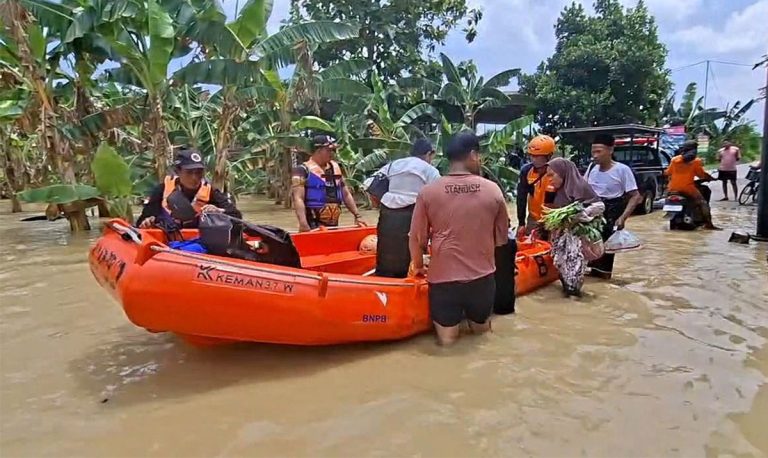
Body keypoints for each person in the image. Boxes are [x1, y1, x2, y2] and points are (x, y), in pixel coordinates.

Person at [409, 132, 510, 346]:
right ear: (473, 154)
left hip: (443, 279)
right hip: (482, 278)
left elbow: (417, 239)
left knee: (447, 344)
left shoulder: (428, 192)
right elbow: (502, 239)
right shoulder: (493, 190)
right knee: (482, 336)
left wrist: (417, 265)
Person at [373, 138, 440, 278]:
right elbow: (438, 196)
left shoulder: (393, 165)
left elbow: (372, 185)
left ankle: (384, 280)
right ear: (429, 154)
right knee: (412, 253)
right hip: (413, 213)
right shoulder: (430, 170)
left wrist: (382, 202)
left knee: (386, 249)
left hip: (388, 214)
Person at [584, 134, 643, 279]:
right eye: (593, 152)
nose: (595, 156)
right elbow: (583, 189)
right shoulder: (592, 168)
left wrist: (623, 217)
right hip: (593, 211)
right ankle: (593, 275)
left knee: (606, 249)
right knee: (591, 244)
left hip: (611, 212)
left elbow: (635, 196)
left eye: (599, 151)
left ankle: (604, 277)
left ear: (610, 150)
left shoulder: (622, 170)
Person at [545, 158, 606, 297]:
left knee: (574, 267)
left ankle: (574, 296)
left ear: (563, 173)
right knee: (560, 263)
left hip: (578, 236)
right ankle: (568, 293)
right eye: (548, 176)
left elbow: (600, 206)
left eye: (552, 175)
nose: (550, 179)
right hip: (562, 234)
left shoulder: (580, 187)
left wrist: (582, 214)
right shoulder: (557, 191)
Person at [136, 149, 241, 229]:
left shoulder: (211, 192)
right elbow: (141, 221)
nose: (194, 177)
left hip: (197, 241)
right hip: (168, 239)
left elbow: (236, 216)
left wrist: (219, 211)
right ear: (178, 171)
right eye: (189, 172)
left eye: (199, 172)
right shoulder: (162, 190)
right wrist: (148, 222)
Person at [291, 135, 367, 232]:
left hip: (333, 225)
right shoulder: (302, 170)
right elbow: (298, 198)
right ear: (318, 151)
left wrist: (357, 215)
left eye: (333, 150)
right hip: (312, 224)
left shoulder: (335, 168)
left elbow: (346, 194)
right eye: (329, 150)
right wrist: (303, 223)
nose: (332, 153)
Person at [665, 140, 720, 230]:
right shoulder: (696, 161)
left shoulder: (674, 160)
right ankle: (709, 224)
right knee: (703, 202)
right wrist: (710, 178)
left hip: (672, 188)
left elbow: (668, 172)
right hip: (688, 188)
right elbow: (701, 175)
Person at [516, 135, 556, 237]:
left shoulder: (558, 172)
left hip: (553, 219)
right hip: (534, 219)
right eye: (531, 156)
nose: (533, 159)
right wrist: (521, 223)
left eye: (537, 156)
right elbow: (521, 197)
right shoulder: (526, 171)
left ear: (549, 156)